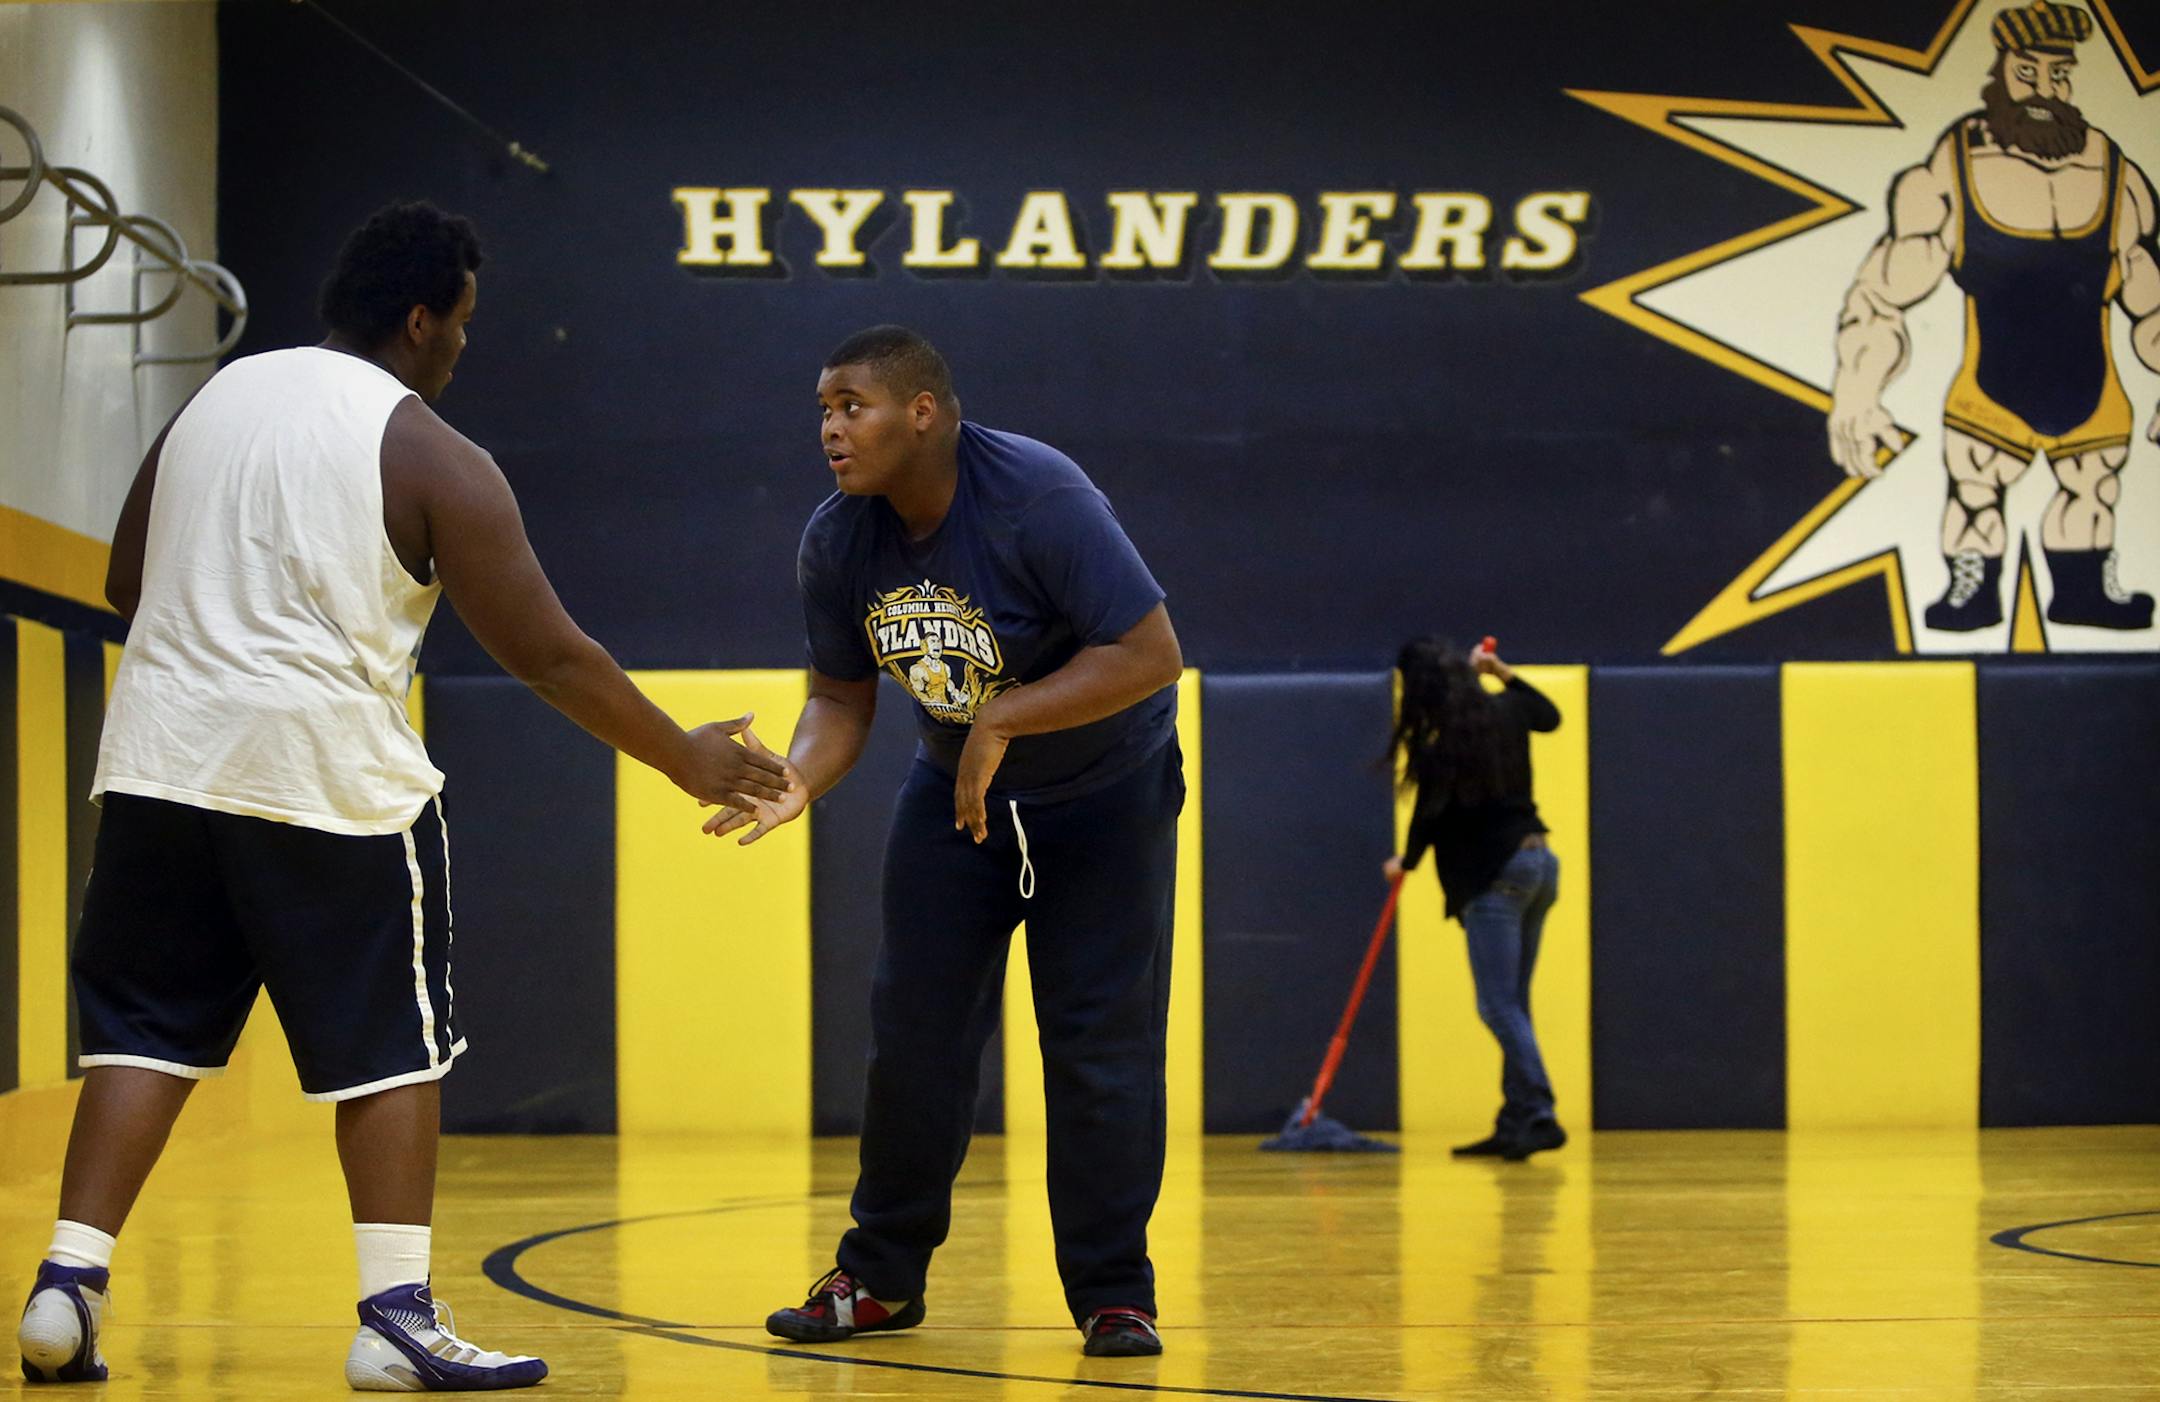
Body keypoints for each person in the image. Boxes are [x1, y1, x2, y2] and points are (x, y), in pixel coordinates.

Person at [15, 201, 789, 1391]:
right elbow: (549, 653)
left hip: (158, 766)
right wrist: (683, 756)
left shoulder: (209, 404)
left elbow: (127, 577)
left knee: (145, 1036)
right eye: (464, 326)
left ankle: (67, 1281)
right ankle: (395, 1316)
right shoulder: (429, 451)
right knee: (389, 1054)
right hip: (327, 782)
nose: (464, 349)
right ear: (421, 319)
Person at [714, 325, 1185, 1358]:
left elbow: (1152, 653)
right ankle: (878, 1278)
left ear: (922, 410)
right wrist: (798, 777)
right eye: (823, 412)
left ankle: (1114, 1292)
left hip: (1106, 798)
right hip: (957, 803)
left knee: (1100, 1051)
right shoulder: (839, 539)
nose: (832, 430)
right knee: (915, 1043)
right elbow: (840, 699)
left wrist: (1003, 717)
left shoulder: (1037, 496)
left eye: (852, 405)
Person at [1827, 0, 2160, 632]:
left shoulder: (2113, 167)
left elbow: (2150, 294)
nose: (2043, 88)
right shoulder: (1955, 163)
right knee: (1977, 495)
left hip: (2095, 387)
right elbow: (1882, 292)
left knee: (2094, 493)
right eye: (2027, 70)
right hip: (1989, 390)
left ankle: (2085, 593)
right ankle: (1971, 591)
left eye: (2058, 73)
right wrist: (1858, 391)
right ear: (2002, 72)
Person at [1381, 637, 1566, 1162]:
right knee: (1514, 1005)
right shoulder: (1506, 712)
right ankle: (1515, 1124)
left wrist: (1407, 862)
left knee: (1497, 1005)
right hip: (1538, 864)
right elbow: (1549, 715)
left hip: (1496, 877)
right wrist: (1501, 670)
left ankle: (1539, 1109)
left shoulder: (1444, 747)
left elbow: (1431, 816)